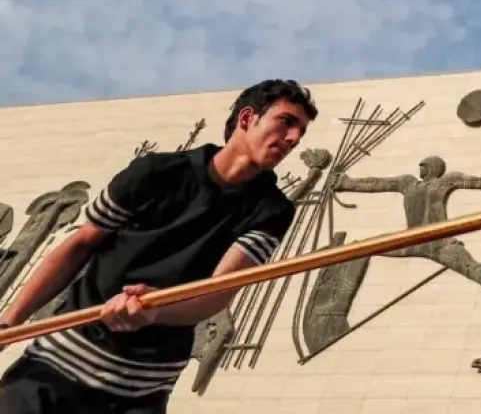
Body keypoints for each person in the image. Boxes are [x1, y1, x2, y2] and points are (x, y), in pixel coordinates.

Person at [0, 79, 319, 412]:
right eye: (286, 122)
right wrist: (8, 324)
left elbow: (217, 293)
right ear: (247, 118)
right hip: (56, 365)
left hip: (141, 392)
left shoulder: (273, 211)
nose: (293, 138)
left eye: (301, 131)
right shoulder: (154, 173)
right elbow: (79, 245)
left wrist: (155, 311)